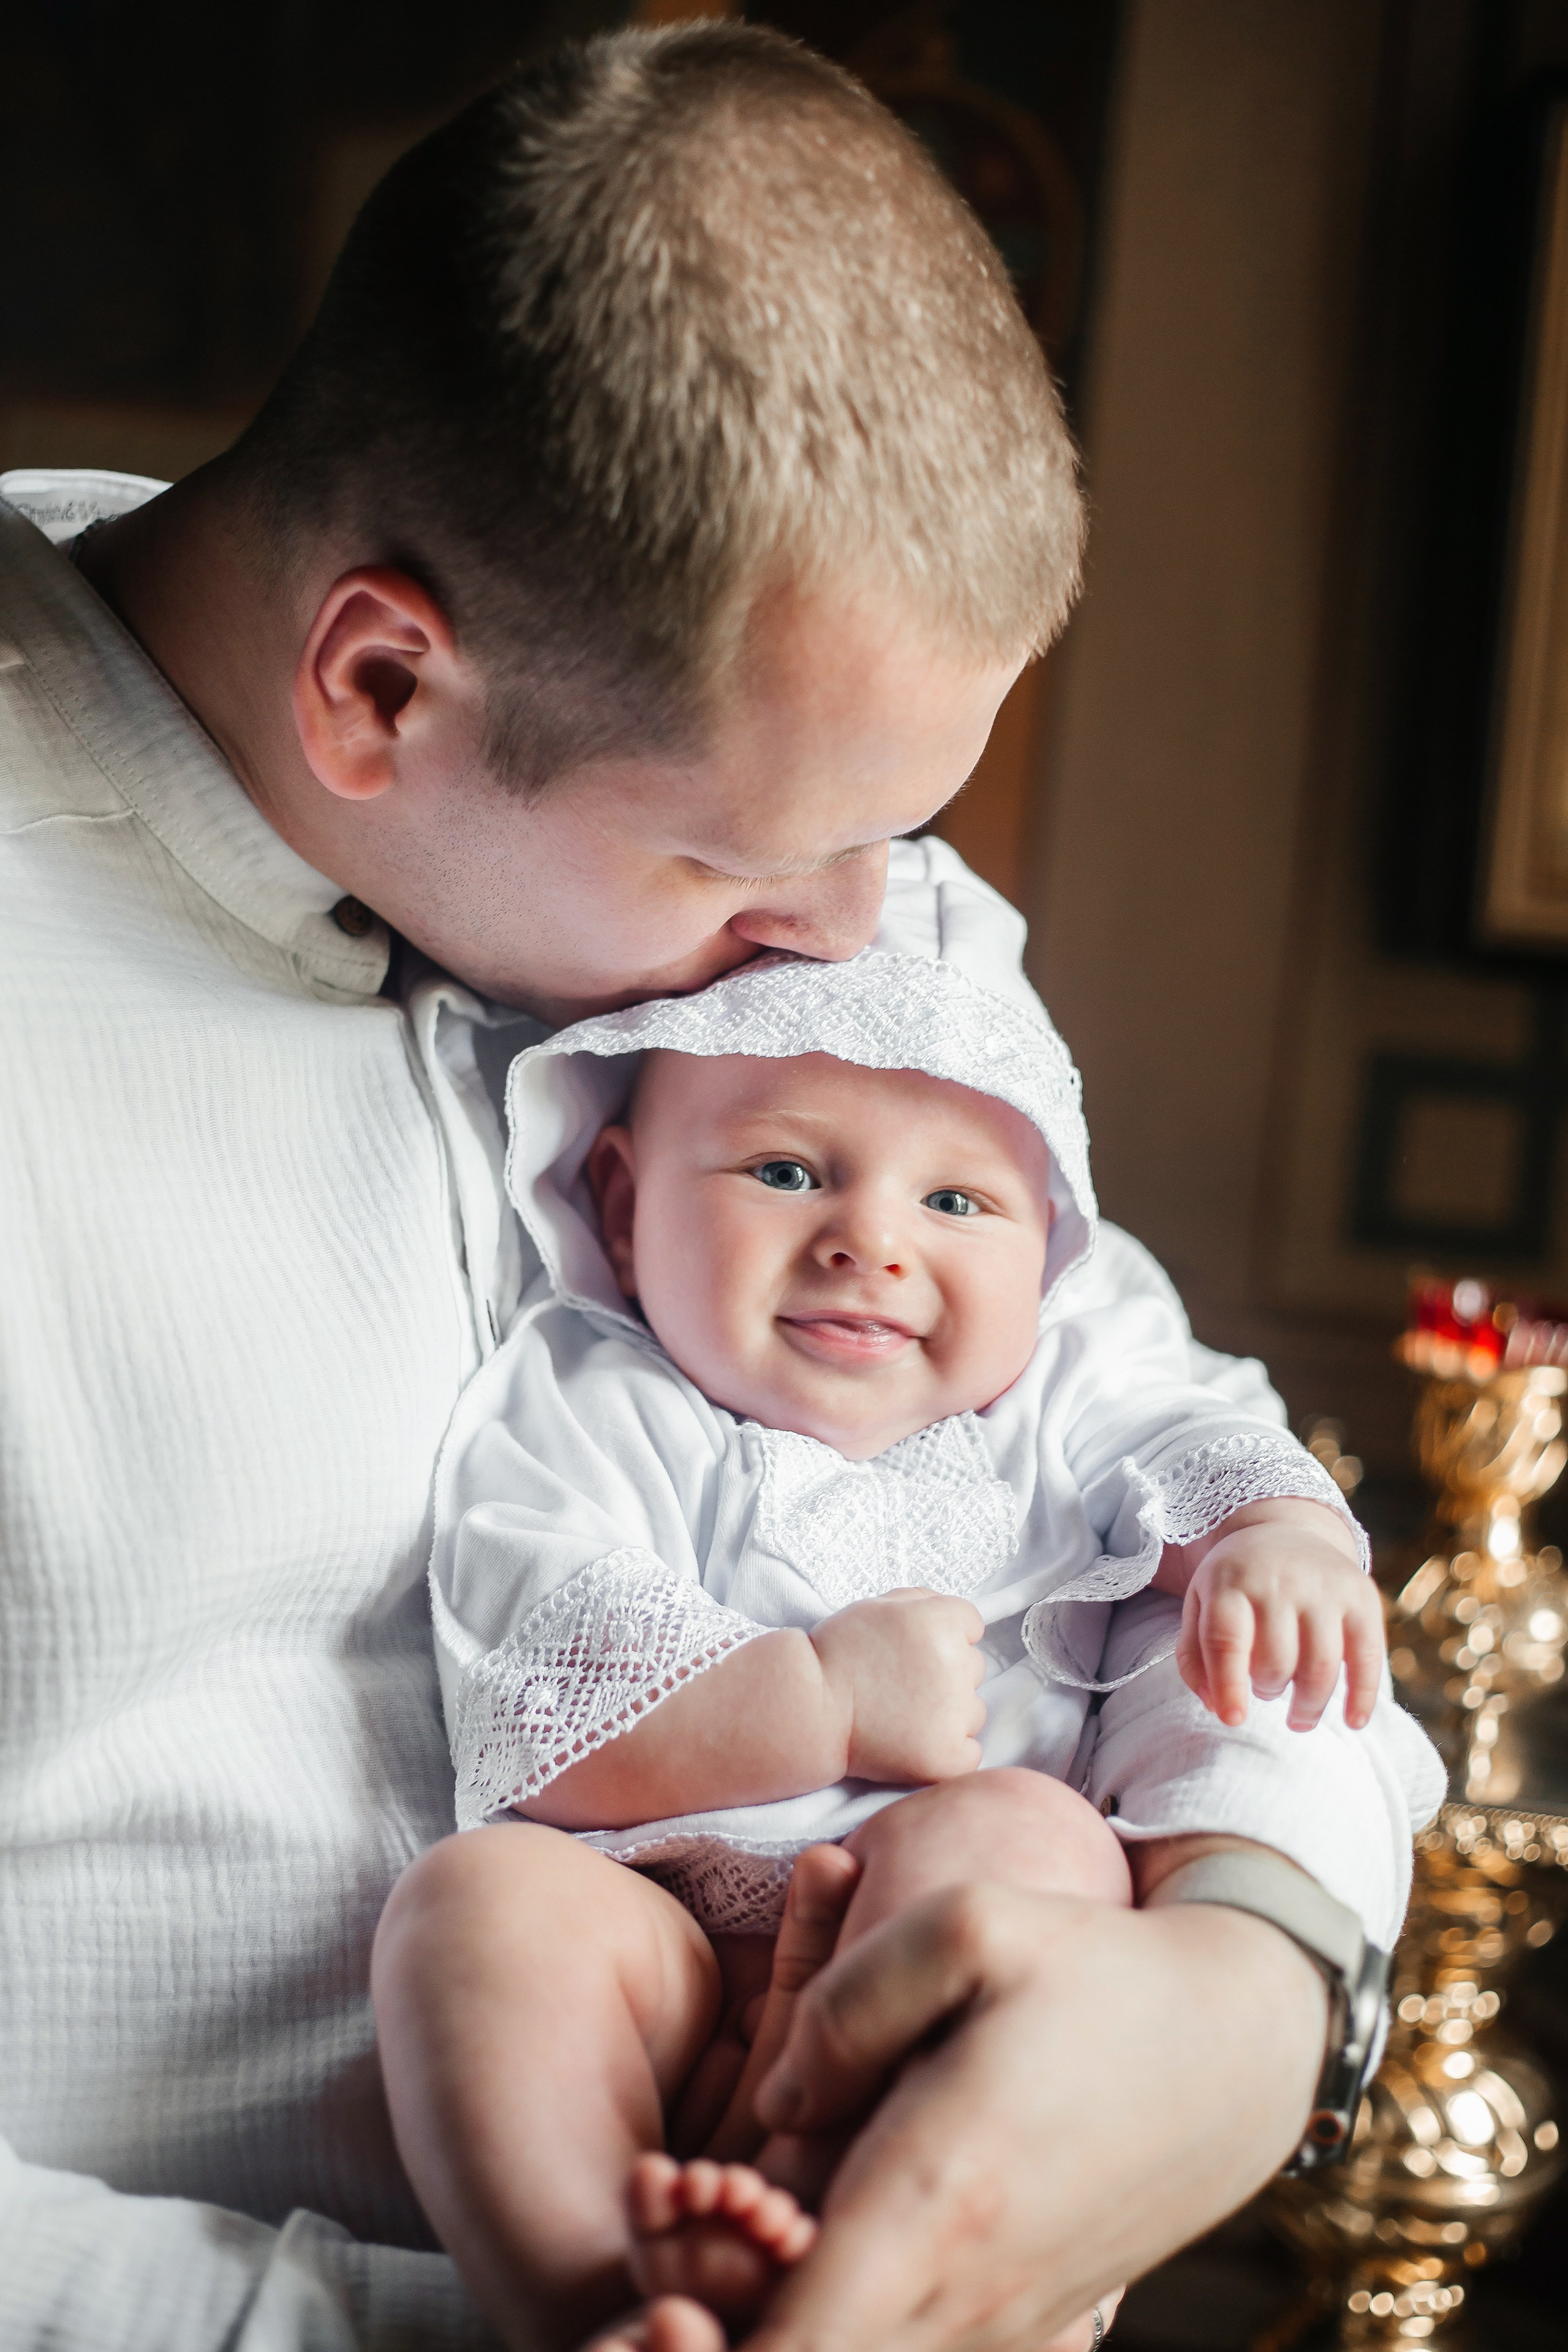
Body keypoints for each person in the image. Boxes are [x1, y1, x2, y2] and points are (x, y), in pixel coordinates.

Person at [0, 23, 1430, 2352]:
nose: (869, 943)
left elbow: (1115, 1415)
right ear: (381, 691)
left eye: (902, 841)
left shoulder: (773, 870)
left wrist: (1262, 1981)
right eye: (755, 871)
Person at [371, 859, 1436, 2352]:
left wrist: (1273, 1535)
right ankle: (591, 2291)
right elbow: (536, 1698)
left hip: (932, 1947)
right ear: (619, 1205)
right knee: (475, 1910)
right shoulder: (587, 1394)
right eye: (787, 1171)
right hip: (662, 1940)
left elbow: (1195, 1429)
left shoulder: (1064, 1386)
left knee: (1031, 1838)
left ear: (1048, 1247)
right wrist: (822, 1702)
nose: (871, 1241)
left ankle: (830, 2221)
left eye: (955, 1198)